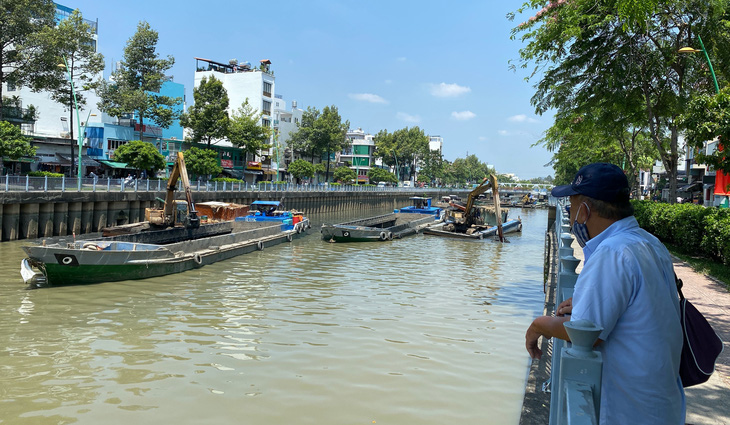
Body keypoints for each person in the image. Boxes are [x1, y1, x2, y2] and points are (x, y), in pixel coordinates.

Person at [525, 162, 684, 424]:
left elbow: (587, 334)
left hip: (629, 408)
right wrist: (586, 300)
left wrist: (538, 325)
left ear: (585, 209)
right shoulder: (648, 242)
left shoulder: (612, 252)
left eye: (572, 204)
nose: (569, 211)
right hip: (661, 402)